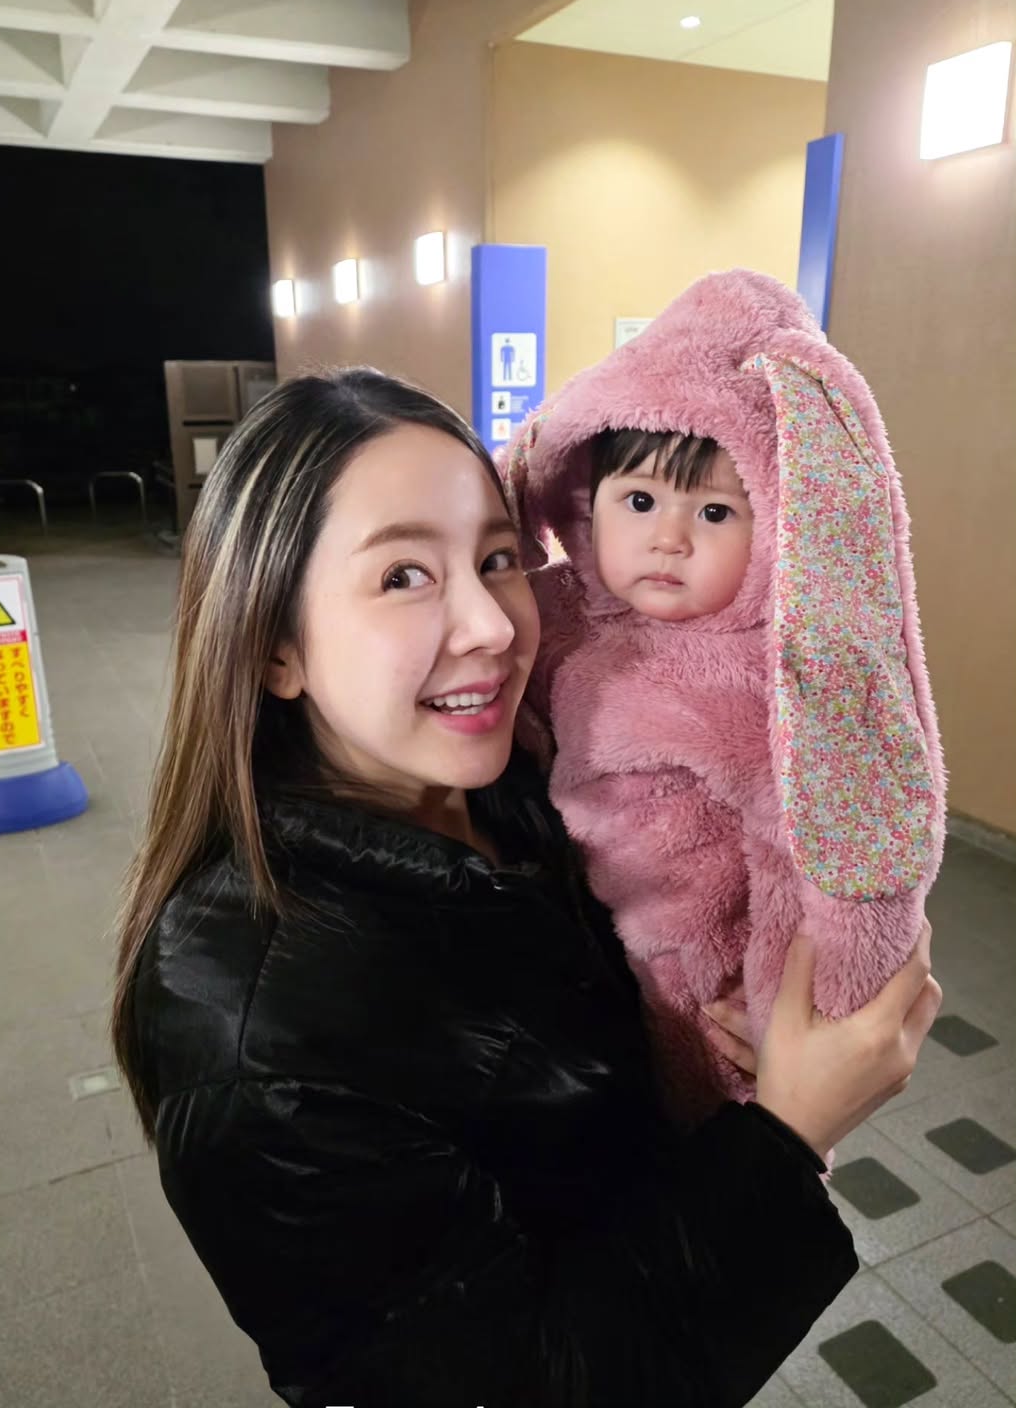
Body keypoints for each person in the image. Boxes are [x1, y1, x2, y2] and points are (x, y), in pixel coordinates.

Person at [111, 367, 941, 1408]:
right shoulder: (251, 1034)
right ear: (276, 647)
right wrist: (786, 1135)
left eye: (499, 558)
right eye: (404, 575)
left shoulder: (523, 781)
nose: (495, 625)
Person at [503, 270, 946, 1127]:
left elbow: (800, 864)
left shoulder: (782, 681)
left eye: (713, 512)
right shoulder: (558, 615)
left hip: (701, 988)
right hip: (576, 940)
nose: (668, 537)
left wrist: (793, 1025)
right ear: (587, 507)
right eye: (639, 501)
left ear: (777, 525)